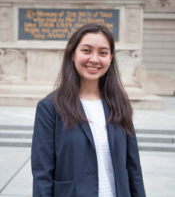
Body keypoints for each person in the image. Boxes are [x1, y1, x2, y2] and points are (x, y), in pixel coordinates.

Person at [31, 23, 146, 197]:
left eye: (103, 53)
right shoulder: (50, 108)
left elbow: (133, 167)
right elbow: (42, 173)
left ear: (111, 58)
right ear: (72, 54)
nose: (95, 59)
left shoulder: (120, 104)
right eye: (86, 50)